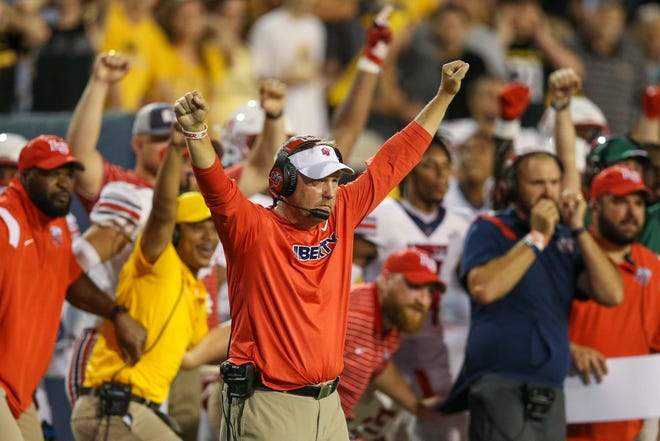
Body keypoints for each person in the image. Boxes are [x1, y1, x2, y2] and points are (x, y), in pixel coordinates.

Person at [174, 59, 470, 441]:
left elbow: (396, 159)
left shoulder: (341, 213)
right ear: (283, 182)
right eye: (318, 182)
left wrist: (444, 96)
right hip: (267, 404)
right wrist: (196, 133)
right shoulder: (253, 228)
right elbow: (216, 189)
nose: (331, 191)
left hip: (328, 406)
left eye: (335, 180)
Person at [445, 149, 623, 441]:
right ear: (513, 186)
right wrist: (537, 237)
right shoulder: (489, 227)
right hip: (499, 379)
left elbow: (612, 293)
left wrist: (578, 228)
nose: (548, 192)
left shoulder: (566, 239)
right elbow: (484, 288)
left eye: (554, 182)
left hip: (551, 384)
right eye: (537, 182)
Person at [70, 130, 219, 441]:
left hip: (141, 411)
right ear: (176, 234)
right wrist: (177, 148)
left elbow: (193, 356)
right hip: (113, 407)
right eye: (197, 229)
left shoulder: (196, 293)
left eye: (213, 229)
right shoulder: (157, 260)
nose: (209, 237)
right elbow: (163, 211)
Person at [0, 135, 146, 441]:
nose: (64, 183)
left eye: (68, 174)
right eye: (52, 174)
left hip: (19, 390)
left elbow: (67, 278)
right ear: (24, 176)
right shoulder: (5, 224)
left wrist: (116, 313)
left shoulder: (56, 224)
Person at [567, 165, 660, 441]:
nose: (632, 212)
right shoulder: (566, 253)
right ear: (593, 206)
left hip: (629, 426)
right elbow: (525, 321)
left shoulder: (652, 265)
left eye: (638, 203)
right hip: (566, 421)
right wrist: (567, 347)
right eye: (619, 201)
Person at [342, 248, 445, 439]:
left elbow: (378, 364)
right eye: (414, 285)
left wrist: (415, 406)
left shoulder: (392, 318)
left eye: (430, 292)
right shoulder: (351, 315)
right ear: (387, 280)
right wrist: (329, 413)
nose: (423, 300)